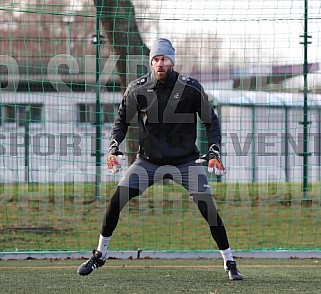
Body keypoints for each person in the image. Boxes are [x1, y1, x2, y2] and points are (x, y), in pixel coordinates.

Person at [77, 38, 243, 281]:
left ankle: (229, 261)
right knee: (117, 198)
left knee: (207, 206)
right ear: (151, 62)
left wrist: (215, 151)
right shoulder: (138, 88)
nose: (159, 63)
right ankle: (99, 254)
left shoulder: (191, 88)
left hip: (186, 161)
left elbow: (211, 122)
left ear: (172, 62)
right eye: (155, 59)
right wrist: (113, 148)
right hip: (149, 161)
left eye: (164, 59)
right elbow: (121, 121)